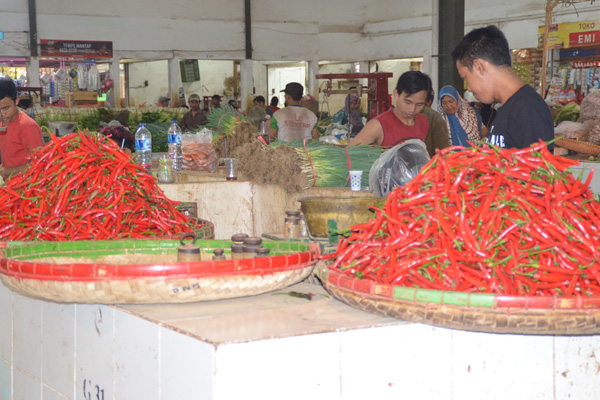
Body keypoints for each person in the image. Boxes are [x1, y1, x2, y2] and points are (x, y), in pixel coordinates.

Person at [451, 25, 554, 149]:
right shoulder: (509, 108)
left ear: (479, 66)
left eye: (466, 78)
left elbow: (537, 166)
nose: (469, 88)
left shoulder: (528, 110)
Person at [349, 71, 430, 147]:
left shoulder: (423, 121)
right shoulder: (378, 125)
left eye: (419, 104)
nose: (412, 110)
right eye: (408, 102)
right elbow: (348, 155)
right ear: (396, 94)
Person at [0, 78, 44, 179]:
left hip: (26, 187)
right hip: (9, 185)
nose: (3, 114)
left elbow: (39, 162)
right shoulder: (3, 122)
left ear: (16, 101)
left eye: (6, 108)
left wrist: (6, 170)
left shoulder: (27, 126)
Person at [420, 88, 449, 157]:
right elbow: (442, 152)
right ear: (429, 102)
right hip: (429, 165)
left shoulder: (399, 114)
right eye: (444, 103)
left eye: (451, 101)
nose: (448, 106)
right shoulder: (434, 117)